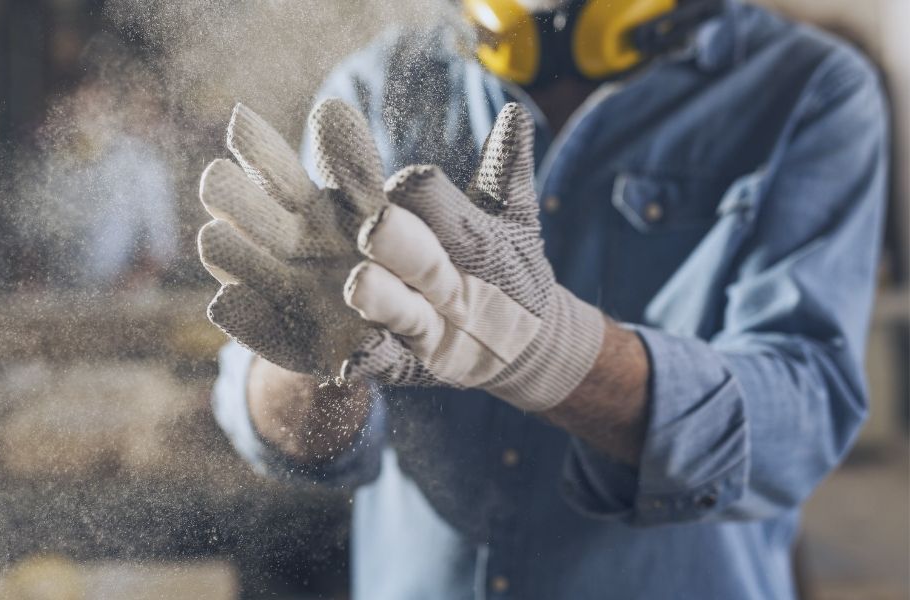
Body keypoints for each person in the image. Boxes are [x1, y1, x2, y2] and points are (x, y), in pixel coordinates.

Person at [202, 0, 889, 597]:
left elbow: (802, 425)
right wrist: (314, 367)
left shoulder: (809, 90)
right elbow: (279, 429)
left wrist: (556, 355)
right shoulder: (378, 86)